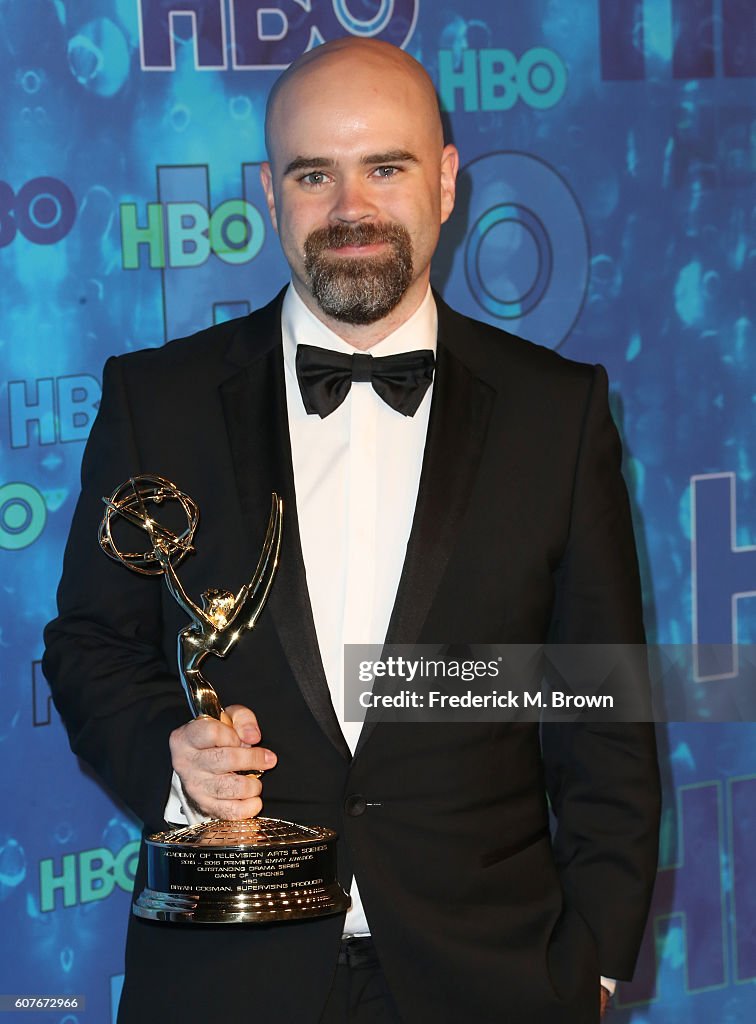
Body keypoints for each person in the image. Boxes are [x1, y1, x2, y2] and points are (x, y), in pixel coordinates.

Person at [44, 38, 660, 1024]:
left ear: (447, 181)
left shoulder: (560, 413)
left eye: (386, 166)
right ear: (268, 191)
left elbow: (602, 705)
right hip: (227, 974)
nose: (350, 209)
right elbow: (90, 648)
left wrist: (592, 960)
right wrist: (171, 762)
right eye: (313, 173)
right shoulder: (157, 400)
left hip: (494, 976)